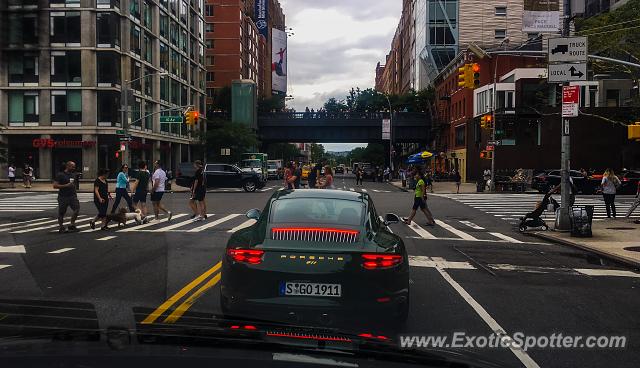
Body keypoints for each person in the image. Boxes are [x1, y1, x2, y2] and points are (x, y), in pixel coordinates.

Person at [53, 161, 80, 233]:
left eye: (74, 166)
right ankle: (61, 227)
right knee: (61, 212)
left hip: (72, 196)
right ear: (67, 166)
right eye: (72, 166)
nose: (74, 168)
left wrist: (74, 188)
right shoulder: (60, 175)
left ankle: (72, 224)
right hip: (63, 196)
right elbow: (55, 186)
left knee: (76, 209)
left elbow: (73, 184)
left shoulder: (73, 174)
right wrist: (66, 185)